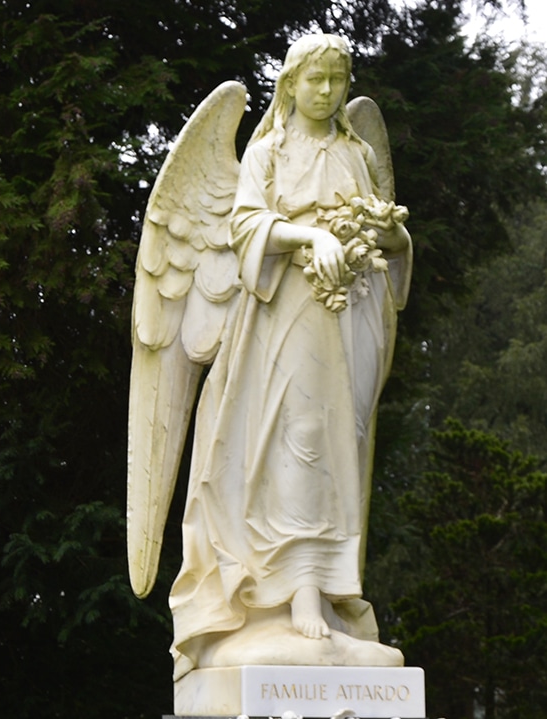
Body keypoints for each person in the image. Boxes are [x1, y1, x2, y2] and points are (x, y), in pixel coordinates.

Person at [166, 34, 411, 674]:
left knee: (342, 446)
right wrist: (309, 236)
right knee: (298, 439)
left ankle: (331, 596)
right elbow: (245, 225)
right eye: (315, 80)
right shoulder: (269, 152)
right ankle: (297, 591)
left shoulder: (357, 154)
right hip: (288, 313)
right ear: (291, 85)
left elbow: (387, 241)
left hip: (350, 314)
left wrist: (390, 236)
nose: (326, 92)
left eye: (337, 80)